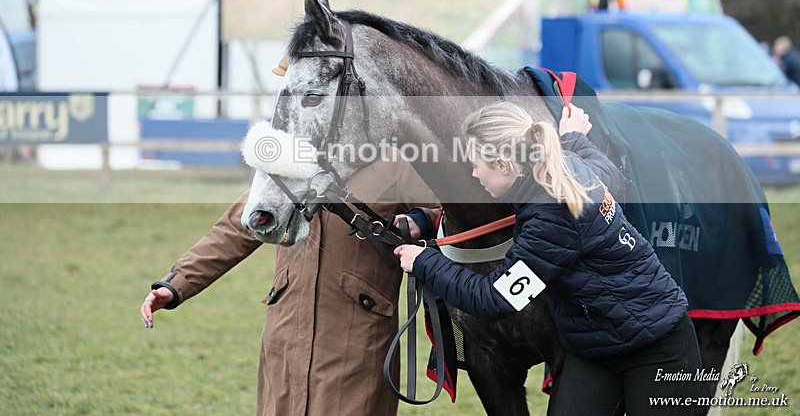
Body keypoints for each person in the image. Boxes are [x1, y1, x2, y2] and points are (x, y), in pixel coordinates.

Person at [394, 102, 702, 415]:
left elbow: (494, 299)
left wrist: (424, 262)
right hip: (594, 347)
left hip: (654, 347)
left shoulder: (551, 219)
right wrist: (574, 140)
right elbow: (608, 173)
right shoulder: (564, 164)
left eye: (476, 165)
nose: (474, 174)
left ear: (503, 165)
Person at [140, 156, 439, 416]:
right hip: (285, 333)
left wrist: (421, 221)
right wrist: (177, 283)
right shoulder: (289, 158)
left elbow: (454, 211)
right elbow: (236, 227)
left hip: (359, 339)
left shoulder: (396, 159)